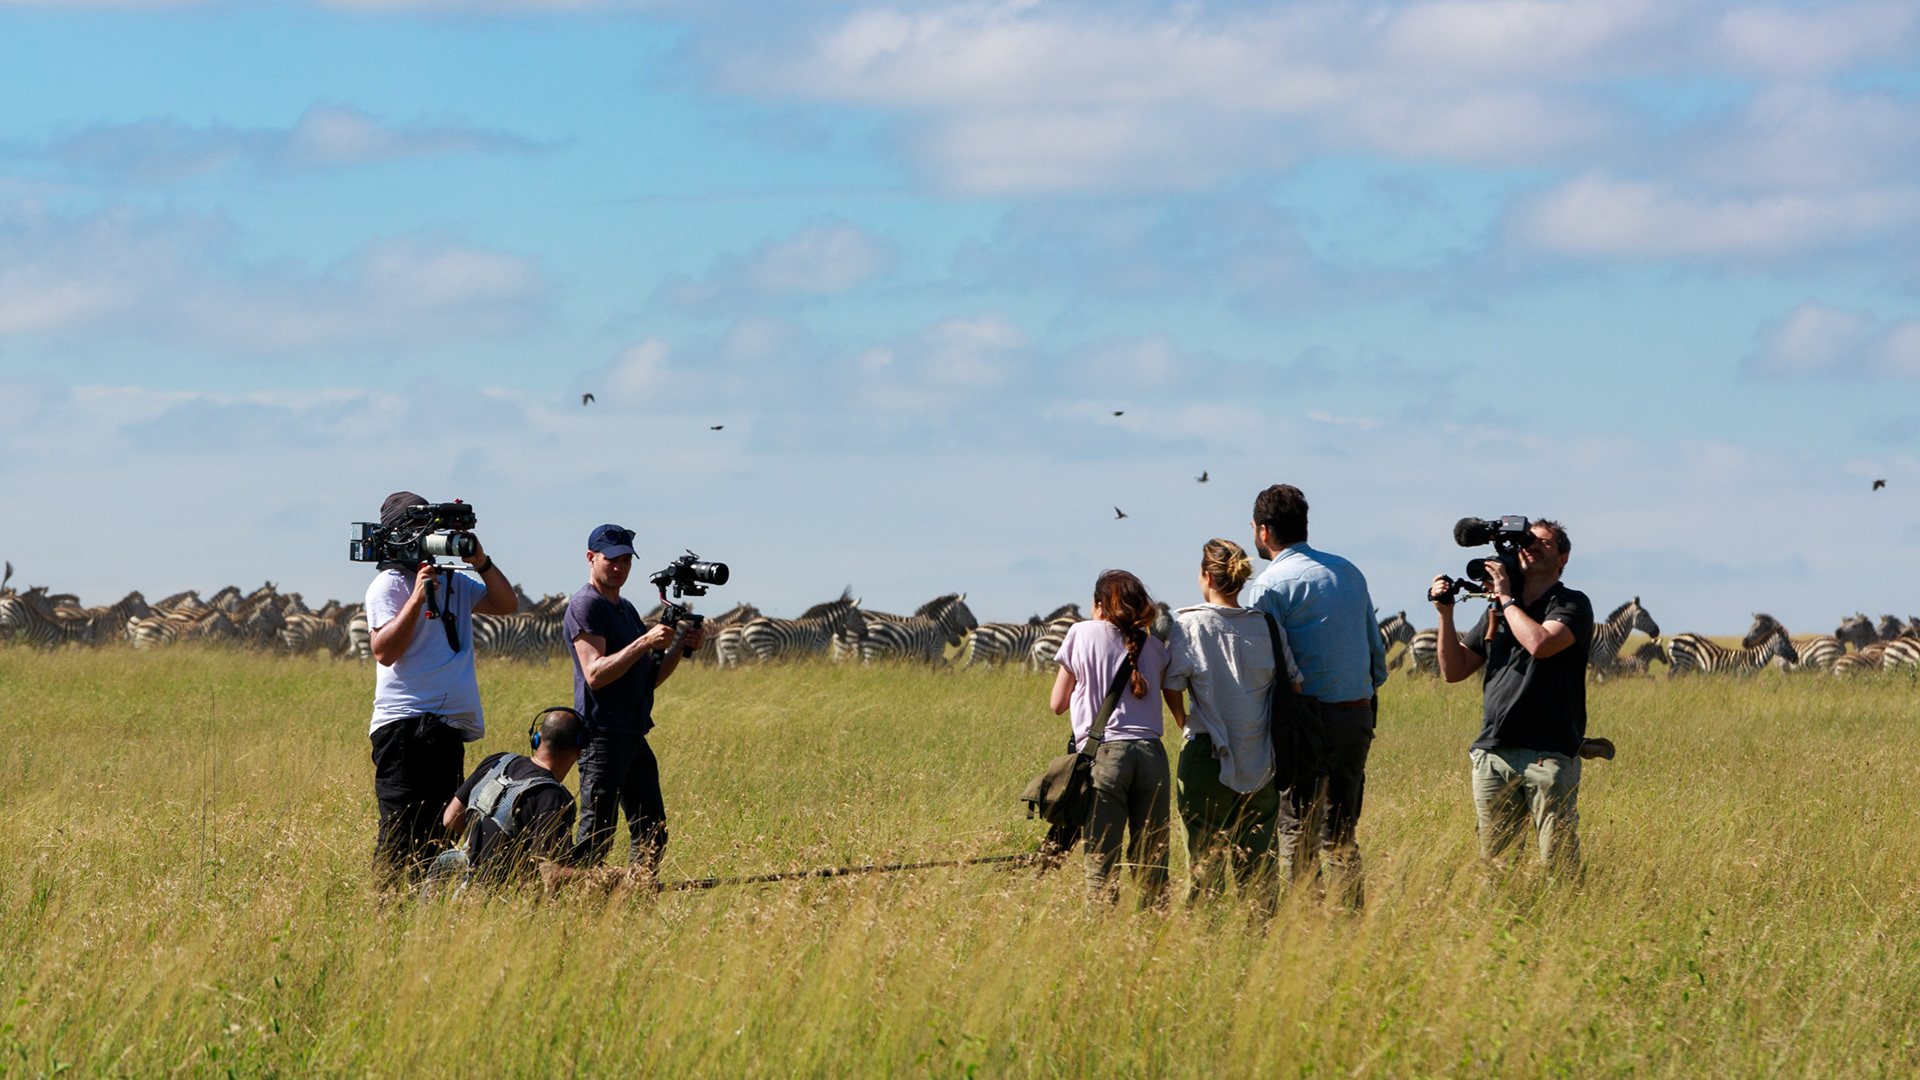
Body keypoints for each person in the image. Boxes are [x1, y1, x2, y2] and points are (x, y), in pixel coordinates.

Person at [365, 490, 518, 887]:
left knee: (439, 833)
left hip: (446, 728)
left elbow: (506, 605)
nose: (427, 537)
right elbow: (384, 651)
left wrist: (479, 561)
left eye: (430, 529)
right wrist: (417, 597)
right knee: (400, 834)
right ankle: (385, 916)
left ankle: (423, 915)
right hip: (404, 729)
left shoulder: (454, 582)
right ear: (397, 534)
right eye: (418, 529)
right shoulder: (388, 584)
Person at [1242, 484, 1386, 907]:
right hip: (1356, 716)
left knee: (1297, 831)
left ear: (1264, 532)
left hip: (1303, 723)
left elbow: (1268, 667)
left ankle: (1306, 933)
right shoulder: (1348, 571)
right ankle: (1349, 927)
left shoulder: (1269, 586)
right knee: (1342, 835)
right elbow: (1377, 659)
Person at [1430, 519, 1593, 873]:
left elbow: (1540, 644)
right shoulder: (1499, 612)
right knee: (1496, 867)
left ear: (1563, 558)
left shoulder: (1571, 603)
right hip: (1493, 752)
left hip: (1548, 753)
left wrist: (1504, 598)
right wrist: (1445, 614)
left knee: (1558, 863)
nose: (1532, 546)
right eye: (1527, 541)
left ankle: (1563, 920)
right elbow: (1453, 670)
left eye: (1544, 543)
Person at [1162, 539, 1302, 906]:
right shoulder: (1267, 626)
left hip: (1206, 754)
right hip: (1262, 759)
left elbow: (1172, 684)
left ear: (1207, 576)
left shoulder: (1189, 623)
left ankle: (1204, 950)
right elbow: (1295, 682)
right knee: (1260, 875)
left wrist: (1184, 722)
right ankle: (1261, 949)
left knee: (1204, 872)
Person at [566, 524, 704, 876]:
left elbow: (650, 679)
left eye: (626, 560)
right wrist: (644, 642)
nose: (619, 567)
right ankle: (573, 907)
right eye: (611, 559)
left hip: (632, 733)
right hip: (601, 735)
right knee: (596, 836)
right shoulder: (586, 605)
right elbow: (595, 674)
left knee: (652, 830)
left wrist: (680, 645)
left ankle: (635, 900)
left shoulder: (625, 609)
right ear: (591, 558)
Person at [1049, 569, 1172, 907]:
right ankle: (1156, 936)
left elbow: (1057, 704)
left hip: (1106, 758)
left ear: (1101, 605)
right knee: (1153, 861)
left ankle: (1101, 943)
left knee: (1102, 863)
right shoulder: (1156, 648)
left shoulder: (1081, 632)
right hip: (1153, 757)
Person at [434, 707, 589, 886]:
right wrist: (616, 875)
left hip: (461, 889)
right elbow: (552, 875)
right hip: (498, 900)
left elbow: (451, 819)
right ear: (580, 750)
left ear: (537, 738)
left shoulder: (497, 761)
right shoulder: (553, 797)